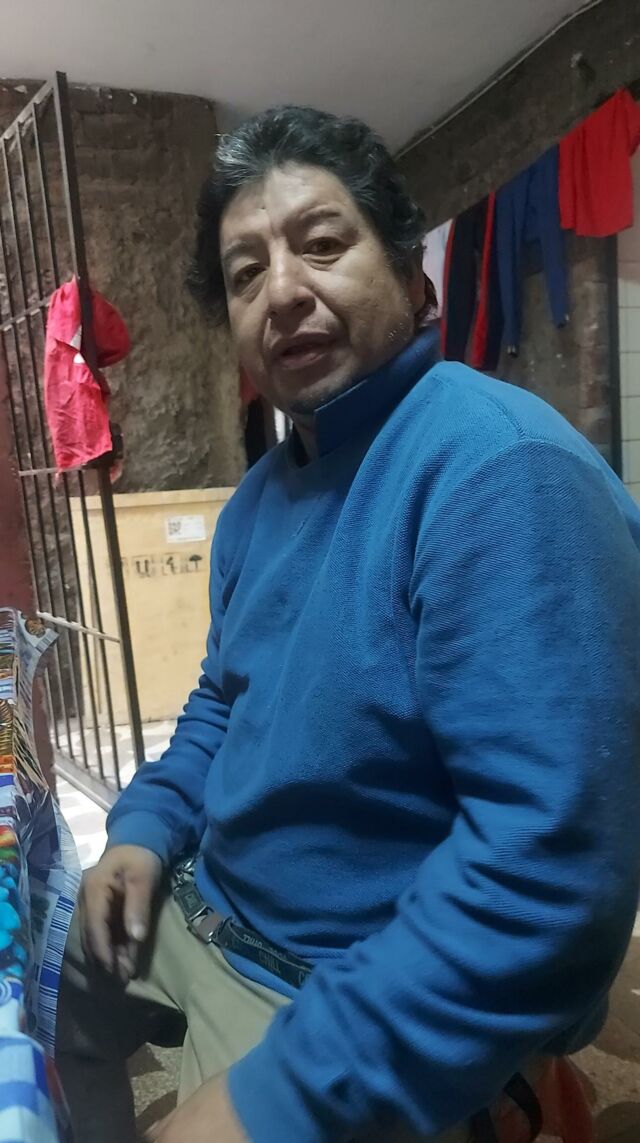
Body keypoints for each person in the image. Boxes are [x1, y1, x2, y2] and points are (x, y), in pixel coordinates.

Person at [56, 105, 640, 1143]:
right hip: (208, 906)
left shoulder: (500, 474)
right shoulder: (260, 500)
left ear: (412, 277)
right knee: (47, 995)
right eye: (245, 273)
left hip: (344, 984)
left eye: (322, 244)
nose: (282, 290)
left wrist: (272, 1097)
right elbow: (219, 706)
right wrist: (142, 833)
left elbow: (547, 877)